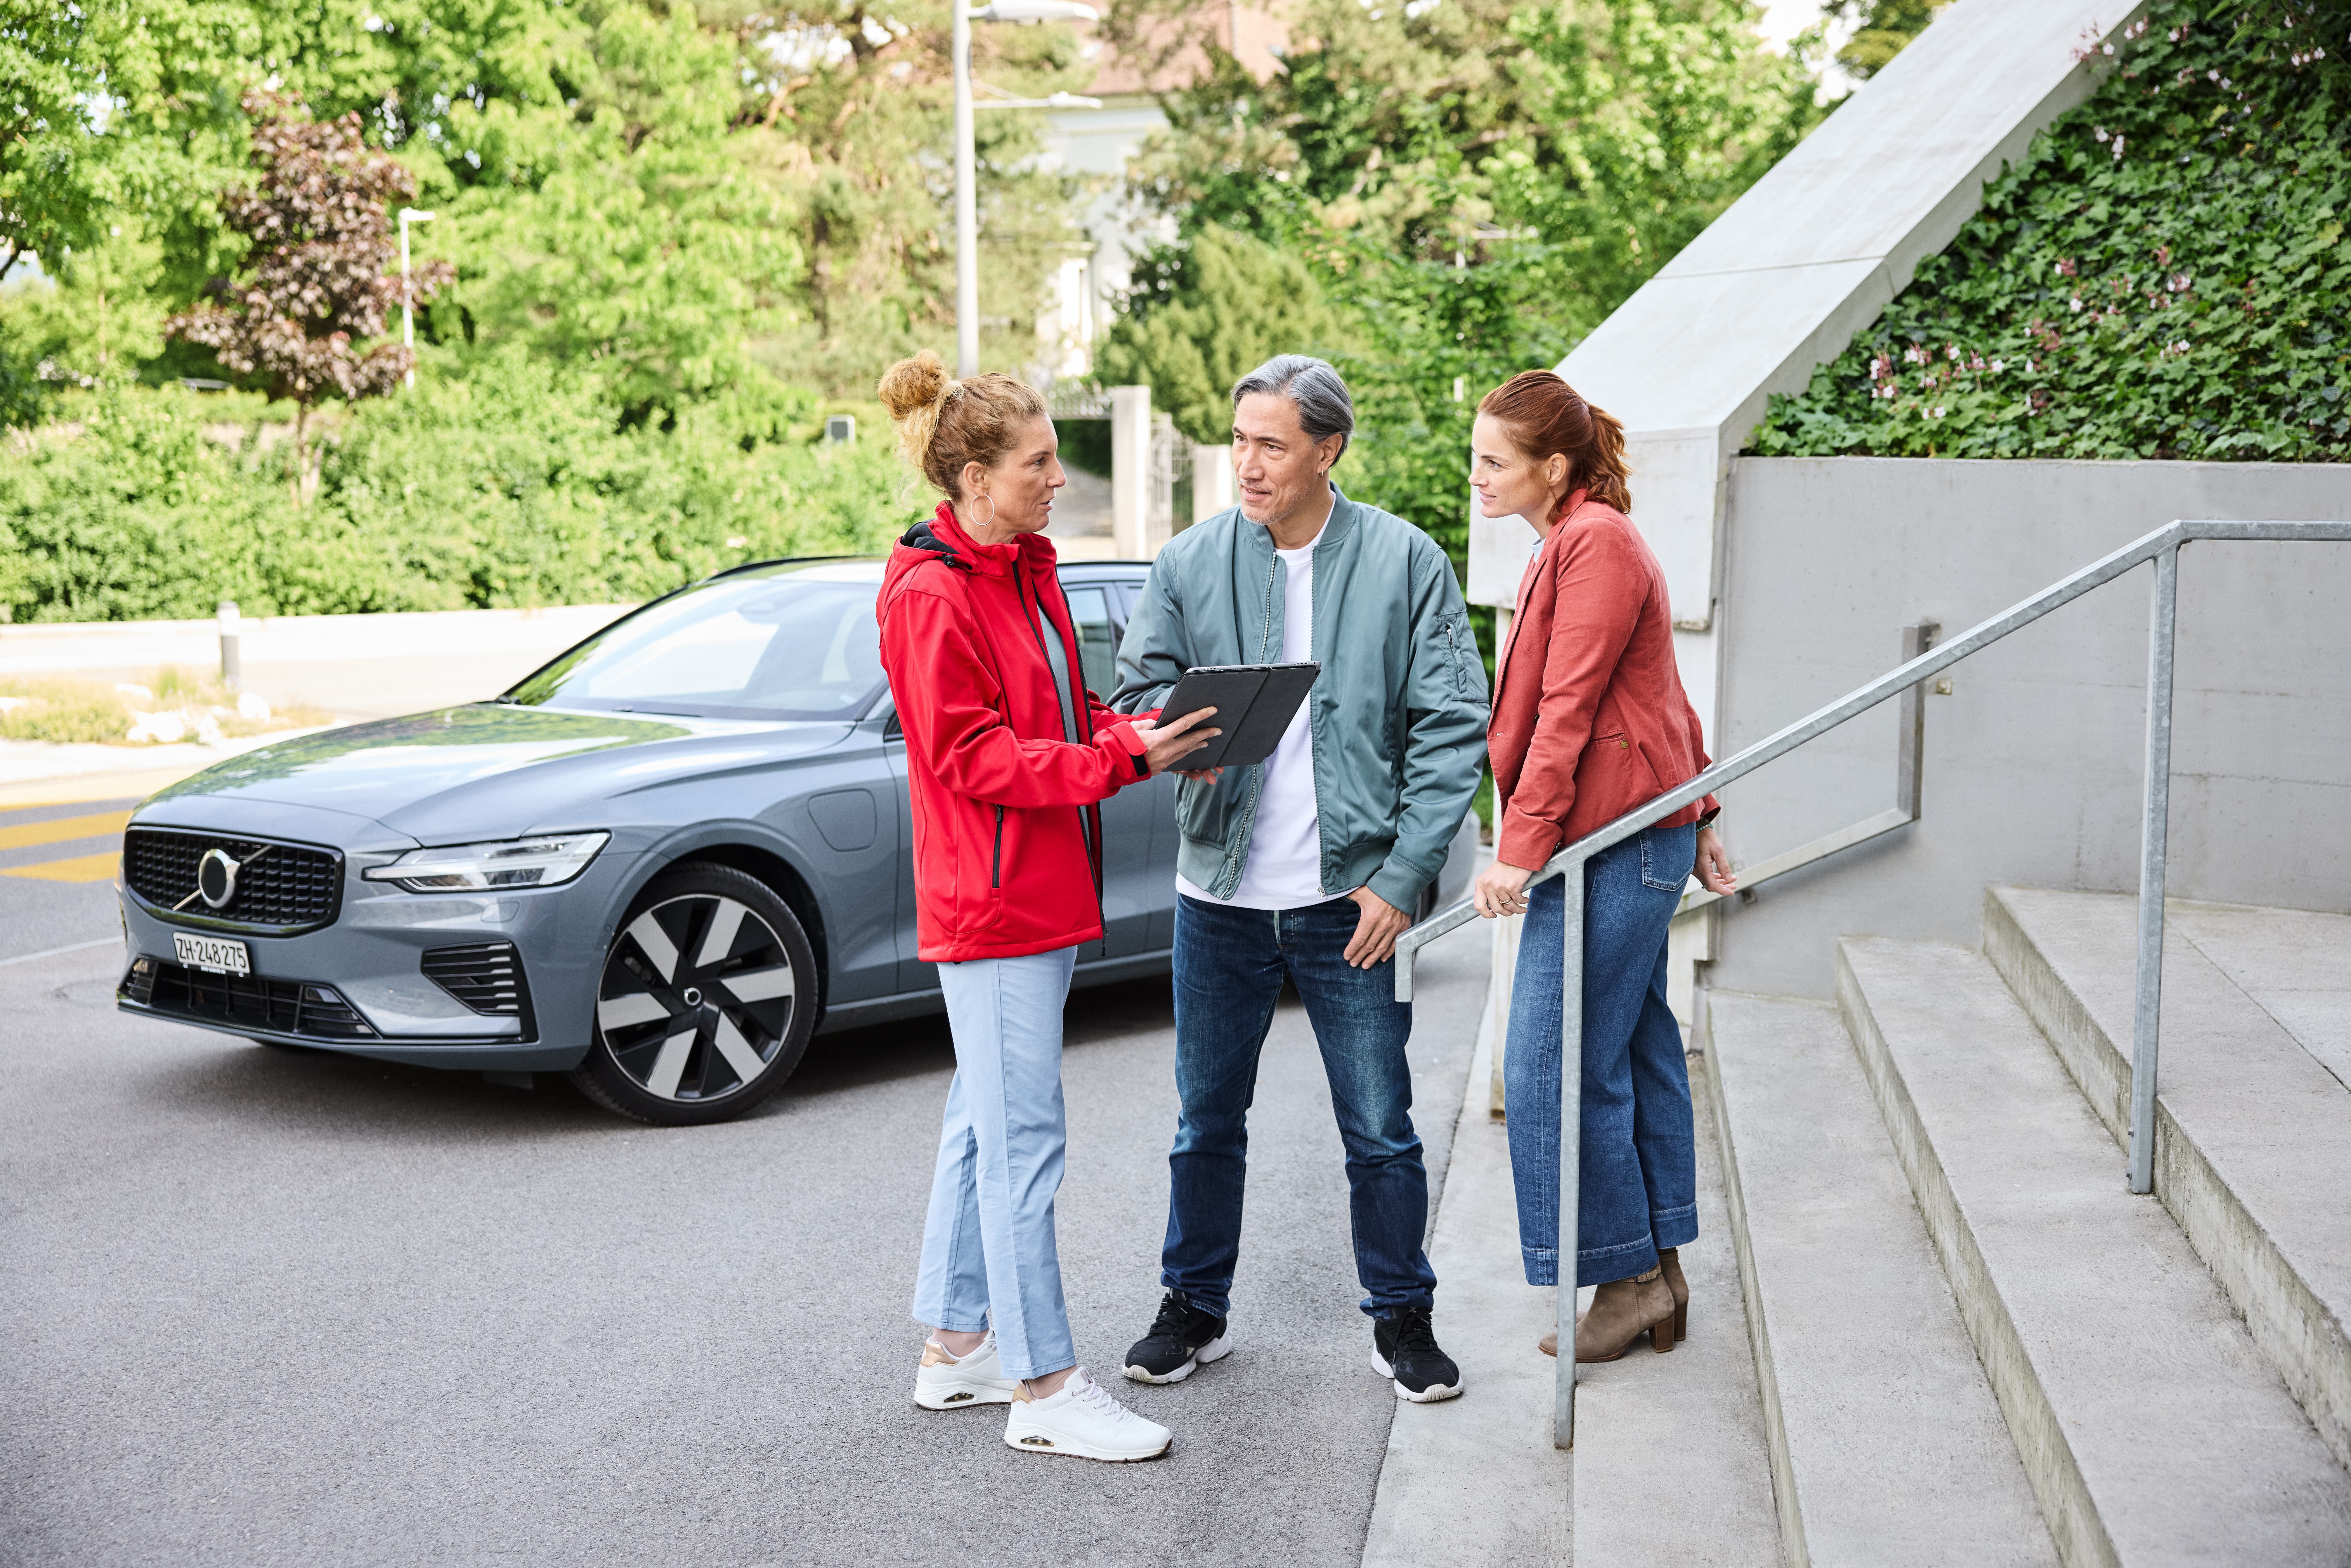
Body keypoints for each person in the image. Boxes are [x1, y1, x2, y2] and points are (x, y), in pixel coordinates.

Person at [1110, 354, 1489, 1403]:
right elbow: (1134, 695)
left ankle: (1403, 1320)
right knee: (1205, 1122)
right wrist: (1174, 729)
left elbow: (1455, 727)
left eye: (1272, 444)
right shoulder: (1189, 562)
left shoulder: (1406, 562)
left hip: (1350, 904)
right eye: (1240, 440)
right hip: (1218, 902)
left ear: (1328, 450)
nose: (1248, 462)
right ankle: (1193, 1309)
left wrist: (1406, 876)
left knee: (1380, 1125)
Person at [875, 350, 1219, 1462]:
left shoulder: (1023, 569)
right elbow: (972, 757)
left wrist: (1140, 744)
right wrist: (1114, 768)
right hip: (993, 906)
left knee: (983, 1126)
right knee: (1024, 1143)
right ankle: (1045, 1386)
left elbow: (1069, 710)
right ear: (974, 477)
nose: (1057, 479)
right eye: (1037, 462)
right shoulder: (932, 593)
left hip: (1040, 891)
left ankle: (958, 1348)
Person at [1465, 369, 1737, 1363]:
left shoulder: (1597, 547)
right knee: (1629, 1051)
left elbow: (1570, 713)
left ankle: (1621, 1278)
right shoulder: (1571, 543)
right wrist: (1699, 806)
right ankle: (1656, 1277)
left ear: (1555, 466)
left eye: (1496, 461)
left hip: (1611, 847)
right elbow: (1659, 695)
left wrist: (1516, 851)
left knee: (1546, 1064)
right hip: (1628, 835)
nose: (1478, 477)